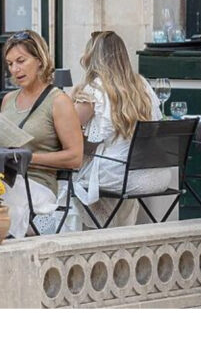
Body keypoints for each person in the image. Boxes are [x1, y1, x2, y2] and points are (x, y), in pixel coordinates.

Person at [71, 30, 166, 228]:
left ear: (93, 57)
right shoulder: (141, 84)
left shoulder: (95, 90)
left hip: (122, 176)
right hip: (157, 175)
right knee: (98, 165)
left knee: (70, 179)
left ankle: (95, 232)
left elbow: (71, 132)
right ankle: (117, 228)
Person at [0, 30, 83, 237]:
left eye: (21, 60)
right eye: (10, 64)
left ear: (39, 60)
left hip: (37, 184)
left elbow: (75, 157)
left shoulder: (58, 101)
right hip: (5, 178)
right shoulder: (8, 100)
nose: (15, 69)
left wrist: (27, 158)